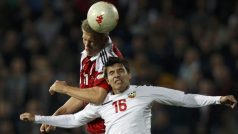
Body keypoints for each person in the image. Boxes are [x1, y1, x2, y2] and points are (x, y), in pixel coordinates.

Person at [20, 57, 237, 134]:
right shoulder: (101, 102)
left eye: (120, 71)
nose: (116, 76)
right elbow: (74, 119)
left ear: (129, 74)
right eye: (111, 73)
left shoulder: (144, 91)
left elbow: (185, 98)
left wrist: (217, 99)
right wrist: (39, 118)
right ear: (107, 78)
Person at [40, 20, 123, 133]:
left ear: (102, 39)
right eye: (84, 39)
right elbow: (84, 95)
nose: (86, 45)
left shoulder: (109, 59)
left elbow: (98, 97)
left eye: (91, 41)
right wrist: (56, 117)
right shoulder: (86, 55)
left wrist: (65, 88)